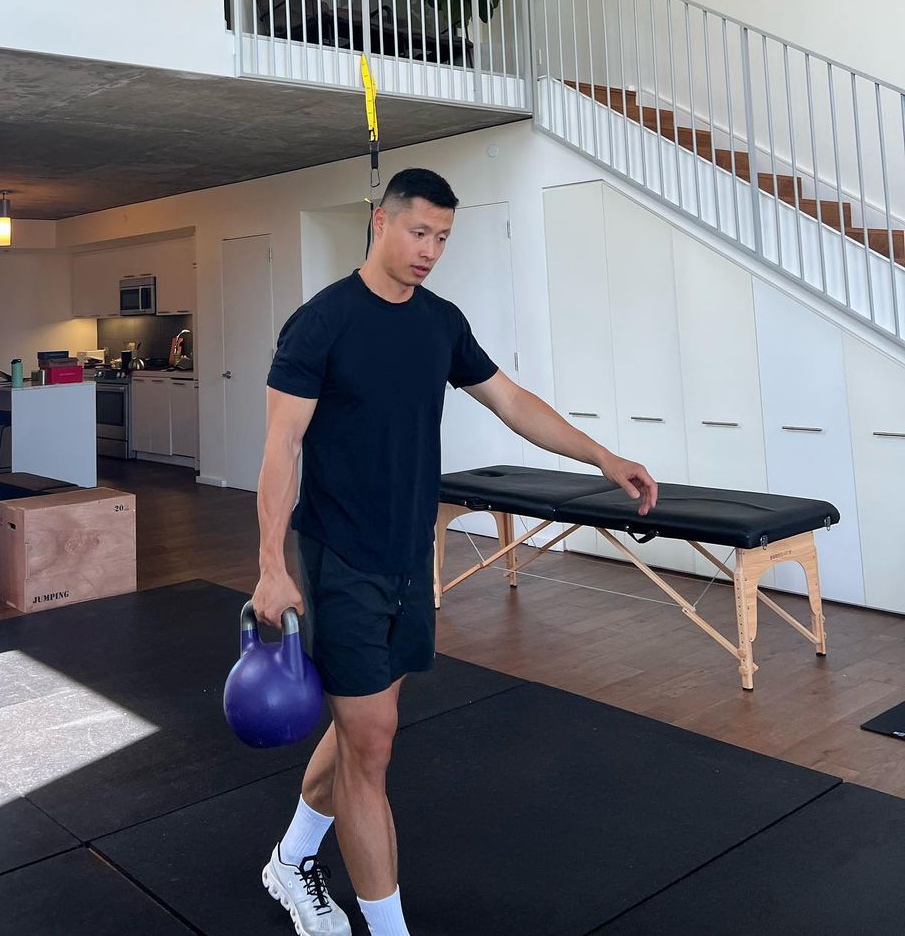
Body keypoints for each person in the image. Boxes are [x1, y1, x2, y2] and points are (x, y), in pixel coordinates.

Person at [251, 167, 658, 936]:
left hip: (411, 556)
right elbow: (281, 446)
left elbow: (512, 401)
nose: (430, 250)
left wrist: (602, 456)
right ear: (381, 221)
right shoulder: (321, 323)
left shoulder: (440, 322)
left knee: (364, 727)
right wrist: (272, 564)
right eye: (419, 232)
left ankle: (290, 857)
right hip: (341, 554)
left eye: (442, 237)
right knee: (371, 745)